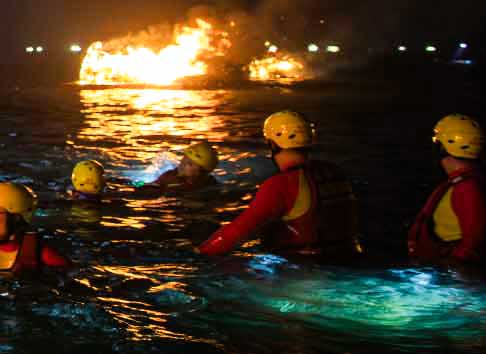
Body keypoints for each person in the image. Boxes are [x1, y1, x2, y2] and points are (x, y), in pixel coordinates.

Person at [198, 110, 361, 262]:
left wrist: (200, 255)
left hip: (302, 267)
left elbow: (236, 232)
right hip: (349, 259)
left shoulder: (280, 185)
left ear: (273, 145)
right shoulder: (334, 172)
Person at [408, 114, 486, 267]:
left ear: (443, 148)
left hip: (448, 273)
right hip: (438, 268)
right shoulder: (463, 183)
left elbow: (474, 242)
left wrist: (453, 268)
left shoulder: (466, 188)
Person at [144, 140, 218, 190]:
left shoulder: (210, 186)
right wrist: (138, 183)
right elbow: (150, 184)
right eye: (184, 158)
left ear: (201, 172)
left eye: (190, 164)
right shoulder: (170, 175)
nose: (183, 164)